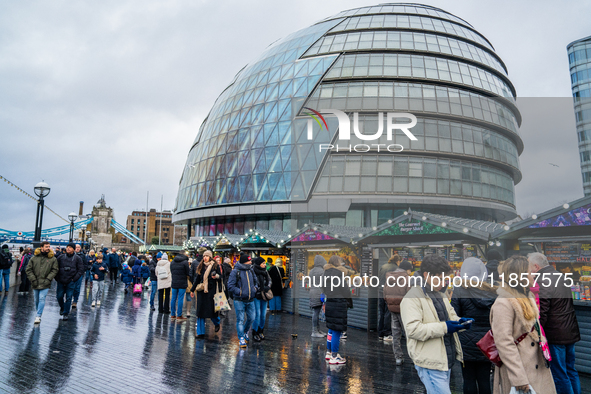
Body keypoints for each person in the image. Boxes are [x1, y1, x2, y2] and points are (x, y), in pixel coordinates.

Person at [400, 254, 471, 394]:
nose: (443, 283)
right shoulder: (412, 297)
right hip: (430, 361)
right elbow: (413, 330)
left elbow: (450, 315)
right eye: (439, 279)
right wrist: (446, 327)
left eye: (444, 279)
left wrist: (460, 323)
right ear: (426, 275)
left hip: (444, 359)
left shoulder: (440, 294)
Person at [490, 255, 555, 394]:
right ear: (521, 276)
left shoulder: (527, 297)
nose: (534, 276)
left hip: (535, 364)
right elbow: (504, 343)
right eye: (530, 273)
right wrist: (519, 379)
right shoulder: (503, 302)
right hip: (520, 371)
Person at [529, 252, 580, 394]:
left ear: (536, 266)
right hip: (570, 330)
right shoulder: (560, 275)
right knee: (571, 370)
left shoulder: (542, 280)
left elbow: (542, 311)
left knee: (559, 374)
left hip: (555, 333)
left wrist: (537, 333)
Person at [451, 257, 497, 394]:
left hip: (465, 341)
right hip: (487, 341)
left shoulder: (459, 290)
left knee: (468, 379)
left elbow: (454, 316)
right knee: (484, 379)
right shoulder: (493, 291)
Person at [322, 255, 352, 365]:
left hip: (330, 302)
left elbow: (323, 288)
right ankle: (334, 356)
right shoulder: (339, 274)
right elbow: (345, 290)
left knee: (331, 329)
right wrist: (348, 300)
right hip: (339, 304)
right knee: (337, 331)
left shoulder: (325, 273)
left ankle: (329, 353)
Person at [384, 259, 413, 365]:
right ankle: (413, 356)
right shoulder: (407, 279)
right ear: (407, 269)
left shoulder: (389, 277)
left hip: (392, 309)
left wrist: (390, 303)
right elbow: (410, 294)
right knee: (408, 333)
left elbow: (385, 292)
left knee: (395, 334)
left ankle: (398, 357)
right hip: (404, 310)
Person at [227, 253, 258, 348]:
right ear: (244, 262)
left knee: (252, 318)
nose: (251, 262)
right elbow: (230, 285)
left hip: (250, 299)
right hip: (239, 300)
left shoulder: (251, 271)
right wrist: (240, 292)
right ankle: (241, 338)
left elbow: (256, 282)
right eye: (249, 261)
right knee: (240, 319)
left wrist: (255, 289)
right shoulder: (235, 271)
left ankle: (245, 331)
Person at [25, 241, 59, 324]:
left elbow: (55, 270)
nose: (48, 248)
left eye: (49, 246)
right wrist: (33, 279)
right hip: (35, 282)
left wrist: (48, 279)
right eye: (46, 246)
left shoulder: (52, 259)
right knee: (36, 299)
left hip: (45, 282)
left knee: (42, 298)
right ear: (41, 247)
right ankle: (38, 312)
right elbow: (28, 269)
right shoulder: (34, 258)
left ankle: (38, 316)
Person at [191, 250, 222, 338]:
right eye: (204, 256)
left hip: (211, 292)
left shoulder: (215, 266)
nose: (205, 258)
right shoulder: (201, 266)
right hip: (201, 291)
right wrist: (192, 290)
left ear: (210, 257)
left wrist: (215, 276)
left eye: (207, 256)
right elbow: (197, 279)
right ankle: (200, 333)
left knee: (211, 312)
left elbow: (221, 277)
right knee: (200, 313)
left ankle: (217, 322)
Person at [55, 243, 85, 321]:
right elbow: (55, 268)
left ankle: (65, 313)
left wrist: (74, 279)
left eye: (70, 247)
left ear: (73, 249)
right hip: (61, 280)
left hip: (71, 281)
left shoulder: (78, 258)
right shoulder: (60, 257)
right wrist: (57, 278)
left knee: (68, 298)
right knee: (59, 296)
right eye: (67, 247)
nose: (68, 249)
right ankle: (62, 307)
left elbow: (80, 270)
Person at [378, 254, 402, 341]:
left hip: (381, 291)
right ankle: (387, 334)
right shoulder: (396, 269)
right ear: (398, 261)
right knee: (388, 313)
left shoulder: (383, 266)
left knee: (382, 313)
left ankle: (380, 333)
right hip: (390, 292)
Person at [252, 257, 272, 342]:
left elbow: (270, 280)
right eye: (263, 263)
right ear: (258, 264)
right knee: (257, 315)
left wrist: (268, 287)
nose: (265, 265)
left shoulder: (265, 272)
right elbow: (252, 283)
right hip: (256, 295)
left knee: (263, 315)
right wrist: (257, 289)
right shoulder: (253, 271)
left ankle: (261, 331)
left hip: (264, 295)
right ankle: (255, 332)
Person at [309, 255, 327, 338]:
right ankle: (315, 331)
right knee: (316, 312)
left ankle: (317, 330)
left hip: (312, 292)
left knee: (316, 311)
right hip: (319, 293)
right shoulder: (322, 271)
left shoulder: (311, 271)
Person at [169, 250, 190, 321]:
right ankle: (179, 315)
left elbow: (171, 271)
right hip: (182, 282)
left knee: (173, 298)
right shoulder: (185, 262)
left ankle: (172, 315)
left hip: (174, 282)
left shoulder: (172, 262)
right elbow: (188, 273)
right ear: (184, 255)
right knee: (180, 298)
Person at [72, 244, 88, 309]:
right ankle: (72, 297)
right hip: (71, 274)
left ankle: (75, 301)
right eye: (76, 247)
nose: (77, 248)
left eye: (78, 247)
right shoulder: (71, 254)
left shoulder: (83, 255)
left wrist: (81, 271)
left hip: (79, 274)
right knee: (71, 287)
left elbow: (85, 264)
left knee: (77, 288)